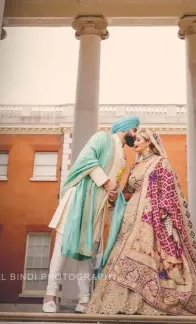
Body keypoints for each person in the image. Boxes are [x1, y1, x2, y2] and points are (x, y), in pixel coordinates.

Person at [86, 128, 196, 317]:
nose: (135, 142)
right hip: (131, 218)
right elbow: (128, 193)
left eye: (139, 139)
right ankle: (123, 303)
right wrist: (114, 197)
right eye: (135, 139)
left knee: (153, 256)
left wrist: (164, 219)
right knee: (121, 255)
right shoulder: (134, 167)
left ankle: (150, 302)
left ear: (149, 143)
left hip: (154, 219)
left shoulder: (161, 163)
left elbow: (169, 194)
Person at [42, 115, 139, 314]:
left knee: (88, 254)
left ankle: (84, 300)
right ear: (126, 128)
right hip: (78, 200)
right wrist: (105, 182)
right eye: (135, 130)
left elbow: (114, 185)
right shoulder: (102, 138)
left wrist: (113, 194)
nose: (136, 135)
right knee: (61, 248)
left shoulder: (123, 157)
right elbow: (86, 158)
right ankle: (50, 294)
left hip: (98, 208)